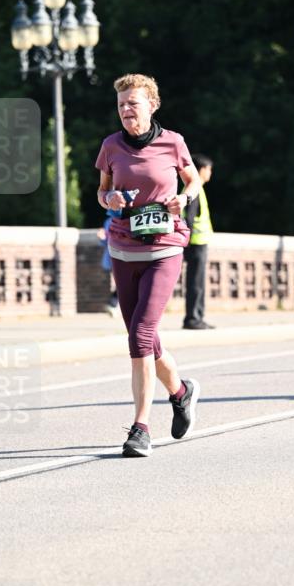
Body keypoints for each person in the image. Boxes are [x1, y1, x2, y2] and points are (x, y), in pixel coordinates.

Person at [95, 73, 202, 456]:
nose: (126, 110)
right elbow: (102, 190)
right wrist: (110, 201)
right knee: (146, 340)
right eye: (121, 104)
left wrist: (183, 199)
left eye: (133, 103)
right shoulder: (110, 146)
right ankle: (181, 391)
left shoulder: (173, 142)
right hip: (124, 248)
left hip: (165, 247)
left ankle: (140, 428)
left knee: (140, 336)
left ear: (152, 105)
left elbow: (193, 182)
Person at [183, 153, 215, 329]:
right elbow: (188, 217)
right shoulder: (194, 190)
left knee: (198, 282)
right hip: (195, 243)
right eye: (209, 169)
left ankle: (197, 317)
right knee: (196, 282)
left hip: (197, 242)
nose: (210, 172)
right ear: (201, 170)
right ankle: (193, 318)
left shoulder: (197, 189)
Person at [96, 208, 119, 316]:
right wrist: (102, 237)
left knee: (122, 283)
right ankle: (113, 304)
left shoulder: (124, 218)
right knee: (121, 283)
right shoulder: (109, 221)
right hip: (113, 258)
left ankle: (114, 304)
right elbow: (107, 241)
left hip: (121, 256)